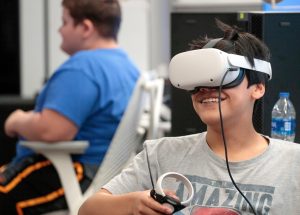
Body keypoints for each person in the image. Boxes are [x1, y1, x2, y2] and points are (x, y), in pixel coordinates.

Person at [78, 20, 300, 215]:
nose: (207, 89)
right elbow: (88, 210)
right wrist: (132, 203)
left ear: (258, 88)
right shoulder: (160, 155)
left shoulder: (292, 164)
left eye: (224, 76)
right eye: (197, 81)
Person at [0, 0, 140, 214]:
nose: (59, 30)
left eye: (64, 22)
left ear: (85, 28)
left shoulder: (83, 67)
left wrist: (17, 120)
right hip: (99, 174)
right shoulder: (128, 67)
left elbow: (53, 130)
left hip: (70, 172)